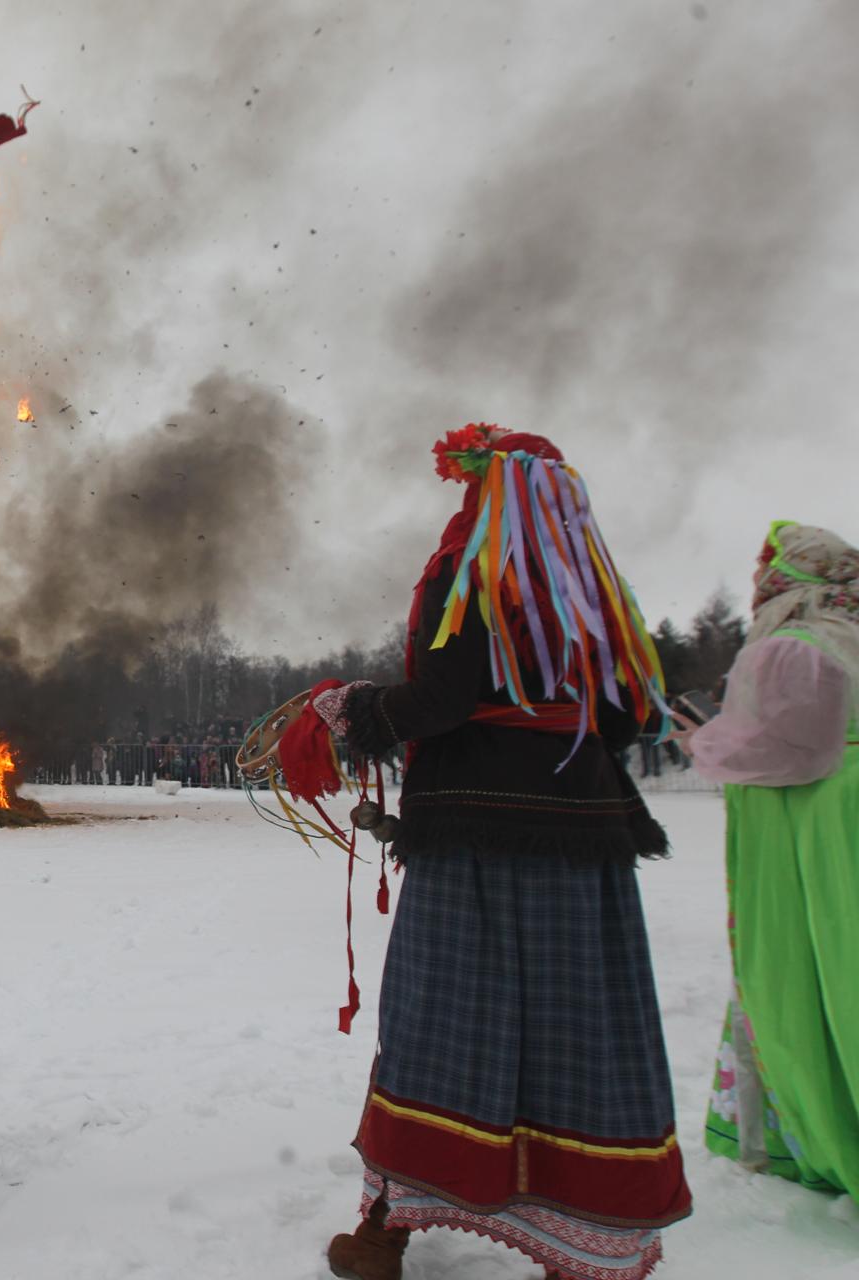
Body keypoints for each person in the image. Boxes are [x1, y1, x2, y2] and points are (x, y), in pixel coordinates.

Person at [307, 428, 691, 1280]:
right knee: (576, 1032)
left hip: (474, 841)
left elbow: (442, 698)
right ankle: (585, 1241)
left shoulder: (474, 571)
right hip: (584, 846)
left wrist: (354, 710)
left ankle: (384, 1232)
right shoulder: (597, 590)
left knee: (440, 1022)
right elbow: (630, 717)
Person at [687, 521, 859, 1195]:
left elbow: (793, 751)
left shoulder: (795, 643)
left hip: (811, 830)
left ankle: (821, 1127)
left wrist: (707, 743)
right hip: (836, 822)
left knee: (809, 970)